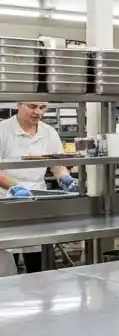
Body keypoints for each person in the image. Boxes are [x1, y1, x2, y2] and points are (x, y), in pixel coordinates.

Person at [0, 102, 79, 277]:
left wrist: (64, 177)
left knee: (37, 259)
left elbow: (55, 164)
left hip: (37, 202)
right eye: (32, 106)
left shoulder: (49, 132)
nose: (38, 112)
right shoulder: (3, 130)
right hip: (5, 202)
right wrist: (14, 187)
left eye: (42, 107)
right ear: (19, 104)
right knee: (7, 259)